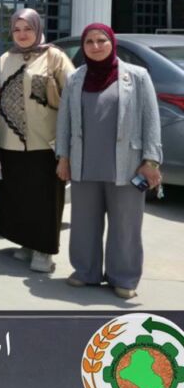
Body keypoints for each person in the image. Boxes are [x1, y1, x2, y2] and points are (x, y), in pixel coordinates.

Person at [56, 24, 163, 299]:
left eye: (101, 40)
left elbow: (151, 120)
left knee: (126, 224)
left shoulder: (137, 77)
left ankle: (124, 277)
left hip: (127, 164)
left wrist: (151, 160)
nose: (95, 46)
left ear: (112, 42)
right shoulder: (75, 78)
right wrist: (63, 157)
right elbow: (64, 121)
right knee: (83, 223)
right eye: (89, 42)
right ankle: (85, 271)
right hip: (84, 162)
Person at [0, 8, 75, 273]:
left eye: (28, 28)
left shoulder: (54, 56)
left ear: (38, 29)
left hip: (45, 142)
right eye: (17, 29)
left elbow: (73, 93)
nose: (22, 34)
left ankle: (44, 251)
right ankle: (26, 243)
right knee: (19, 196)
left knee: (45, 199)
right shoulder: (5, 59)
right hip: (9, 142)